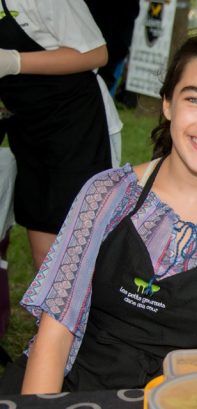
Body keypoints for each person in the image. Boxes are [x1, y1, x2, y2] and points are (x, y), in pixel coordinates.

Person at [3, 31, 197, 394]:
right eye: (196, 100)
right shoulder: (109, 193)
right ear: (168, 104)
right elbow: (56, 331)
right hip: (74, 391)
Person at [0, 0, 123, 270]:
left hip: (76, 128)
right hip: (29, 129)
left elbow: (95, 53)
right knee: (44, 257)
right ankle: (48, 313)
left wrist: (14, 61)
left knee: (76, 254)